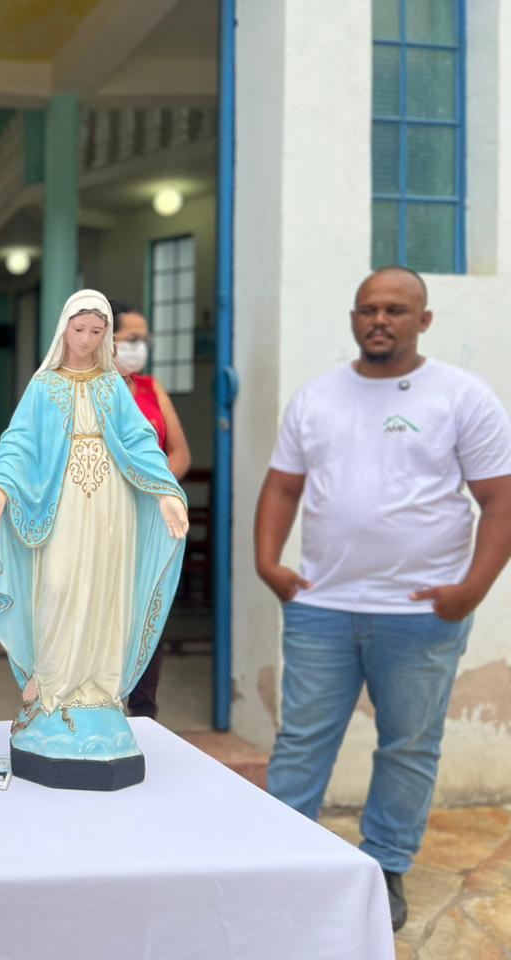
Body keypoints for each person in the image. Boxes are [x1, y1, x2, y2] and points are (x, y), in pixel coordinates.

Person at [255, 266, 511, 931]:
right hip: (322, 606)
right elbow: (283, 486)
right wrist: (268, 564)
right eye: (368, 308)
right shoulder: (317, 397)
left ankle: (387, 864)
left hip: (420, 614)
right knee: (302, 740)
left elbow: (500, 500)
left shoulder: (461, 396)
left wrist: (471, 590)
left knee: (408, 745)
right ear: (353, 318)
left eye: (396, 309)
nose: (380, 319)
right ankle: (279, 860)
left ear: (423, 321)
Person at [0, 290, 188, 780]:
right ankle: (52, 687)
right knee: (59, 585)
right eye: (80, 330)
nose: (88, 339)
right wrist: (1, 487)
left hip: (111, 503)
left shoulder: (113, 386)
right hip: (62, 501)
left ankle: (98, 693)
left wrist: (165, 491)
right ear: (64, 329)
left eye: (97, 331)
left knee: (105, 592)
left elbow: (140, 441)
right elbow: (19, 441)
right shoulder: (44, 384)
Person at [110, 302, 192, 720]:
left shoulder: (150, 388)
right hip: (103, 523)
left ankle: (143, 720)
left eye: (145, 339)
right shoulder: (81, 391)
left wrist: (154, 484)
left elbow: (179, 452)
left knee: (148, 616)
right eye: (132, 338)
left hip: (151, 523)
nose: (140, 347)